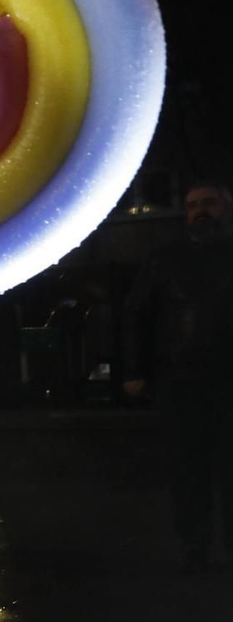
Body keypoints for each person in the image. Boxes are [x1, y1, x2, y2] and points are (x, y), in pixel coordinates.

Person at [124, 180, 233, 572]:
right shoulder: (164, 258)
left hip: (225, 380)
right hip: (181, 380)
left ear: (225, 207)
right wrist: (135, 370)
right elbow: (139, 314)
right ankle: (194, 546)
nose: (200, 211)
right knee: (188, 469)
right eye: (192, 205)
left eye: (208, 203)